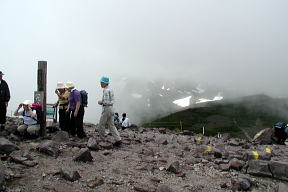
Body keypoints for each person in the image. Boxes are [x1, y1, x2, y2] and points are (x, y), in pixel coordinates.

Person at [97, 77, 122, 146]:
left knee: (101, 124)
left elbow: (106, 101)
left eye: (101, 82)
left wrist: (100, 102)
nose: (100, 84)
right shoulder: (110, 89)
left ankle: (103, 140)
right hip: (111, 108)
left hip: (107, 109)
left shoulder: (106, 90)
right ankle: (118, 139)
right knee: (111, 125)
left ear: (105, 83)